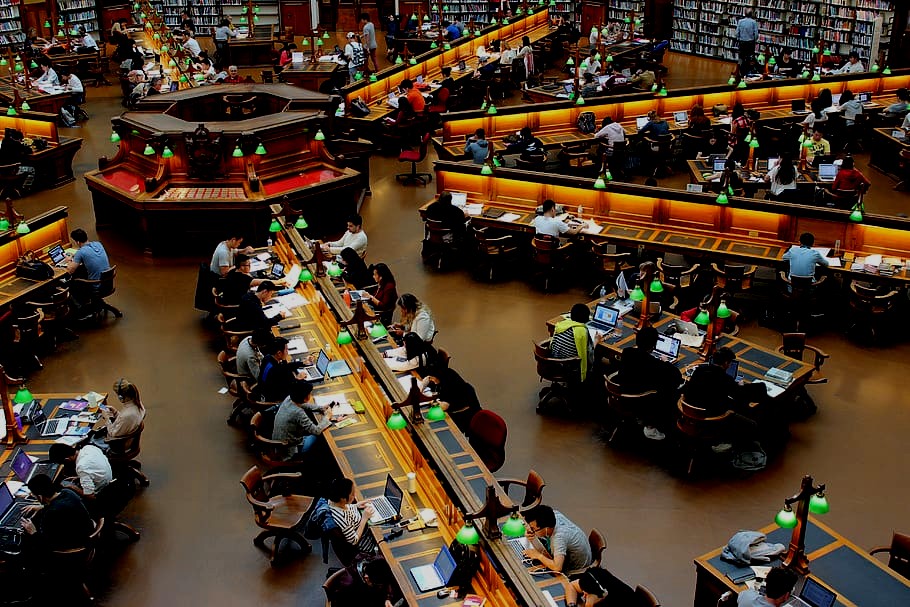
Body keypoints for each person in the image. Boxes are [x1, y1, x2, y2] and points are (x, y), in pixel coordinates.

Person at [614, 326, 683, 439]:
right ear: (654, 345)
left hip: (623, 394)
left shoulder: (627, 353)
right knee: (673, 391)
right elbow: (676, 376)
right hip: (641, 402)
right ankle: (654, 425)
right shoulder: (654, 364)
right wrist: (666, 362)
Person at [683, 346, 769, 419]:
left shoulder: (699, 370)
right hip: (709, 415)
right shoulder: (725, 378)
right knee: (751, 422)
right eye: (729, 363)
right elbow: (739, 396)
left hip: (690, 410)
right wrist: (740, 386)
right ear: (726, 363)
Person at [20, 474, 94, 553]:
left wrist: (33, 532)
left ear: (40, 497)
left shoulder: (52, 513)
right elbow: (62, 506)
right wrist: (43, 507)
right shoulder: (67, 492)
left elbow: (46, 544)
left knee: (25, 543)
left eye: (33, 495)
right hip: (85, 531)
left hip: (73, 548)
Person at [522, 504, 592, 574]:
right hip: (575, 556)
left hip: (576, 571)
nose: (531, 530)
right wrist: (531, 530)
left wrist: (538, 555)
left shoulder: (559, 538)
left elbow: (557, 567)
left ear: (546, 529)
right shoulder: (554, 515)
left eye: (533, 529)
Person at [272, 381, 331, 460]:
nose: (310, 395)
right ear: (305, 398)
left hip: (280, 440)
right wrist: (327, 417)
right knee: (321, 438)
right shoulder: (298, 413)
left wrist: (321, 408)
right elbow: (316, 430)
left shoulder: (289, 398)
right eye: (309, 394)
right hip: (289, 449)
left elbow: (303, 404)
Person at [419, 368, 482, 433]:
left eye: (435, 380)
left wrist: (435, 402)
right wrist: (424, 383)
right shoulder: (448, 380)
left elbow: (443, 406)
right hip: (460, 416)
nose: (434, 382)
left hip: (467, 422)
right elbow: (428, 380)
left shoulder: (457, 392)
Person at [326, 555, 404, 607]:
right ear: (367, 578)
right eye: (377, 585)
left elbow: (387, 581)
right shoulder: (348, 585)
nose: (380, 586)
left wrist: (388, 598)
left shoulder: (377, 561)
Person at [326, 477, 378, 554]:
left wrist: (356, 505)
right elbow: (354, 540)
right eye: (352, 494)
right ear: (343, 498)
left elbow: (346, 508)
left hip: (363, 525)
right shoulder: (342, 518)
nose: (354, 495)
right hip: (365, 543)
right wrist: (364, 518)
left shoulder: (332, 502)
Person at [550, 303, 599, 383]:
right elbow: (589, 354)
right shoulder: (582, 331)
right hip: (571, 368)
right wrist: (596, 341)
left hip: (555, 361)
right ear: (586, 319)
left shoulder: (561, 325)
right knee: (598, 357)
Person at [257, 336, 314, 402]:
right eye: (286, 350)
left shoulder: (268, 357)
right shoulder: (275, 371)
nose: (287, 352)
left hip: (265, 389)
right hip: (274, 397)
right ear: (279, 353)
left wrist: (302, 363)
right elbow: (289, 387)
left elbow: (285, 367)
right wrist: (297, 379)